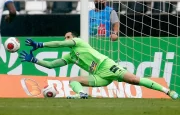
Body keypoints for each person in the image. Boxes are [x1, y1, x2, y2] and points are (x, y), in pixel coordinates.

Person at [20, 32, 178, 100]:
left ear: (73, 38)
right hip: (99, 76)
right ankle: (81, 94)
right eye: (65, 37)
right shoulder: (69, 56)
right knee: (73, 80)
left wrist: (40, 44)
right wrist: (34, 60)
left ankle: (167, 91)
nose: (66, 38)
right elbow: (50, 65)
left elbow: (59, 43)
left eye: (68, 36)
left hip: (107, 66)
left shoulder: (79, 42)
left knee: (134, 79)